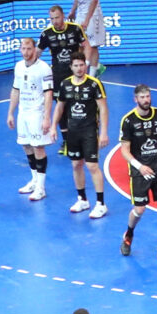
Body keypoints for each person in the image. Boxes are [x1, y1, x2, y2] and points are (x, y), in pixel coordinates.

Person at [119, 83, 157, 260]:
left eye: (148, 96)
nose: (146, 100)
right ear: (135, 99)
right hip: (140, 169)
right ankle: (129, 234)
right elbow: (124, 150)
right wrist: (139, 167)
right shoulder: (128, 120)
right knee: (140, 209)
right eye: (142, 97)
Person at [56, 50, 111, 220]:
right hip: (73, 131)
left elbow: (103, 109)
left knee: (92, 166)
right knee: (76, 165)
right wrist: (52, 127)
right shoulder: (65, 84)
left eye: (82, 65)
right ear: (71, 67)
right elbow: (60, 107)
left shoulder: (94, 84)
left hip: (89, 131)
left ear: (85, 66)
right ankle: (82, 200)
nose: (79, 68)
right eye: (76, 65)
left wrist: (103, 133)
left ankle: (101, 204)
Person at [7, 36, 56, 200]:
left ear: (34, 49)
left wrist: (47, 117)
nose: (26, 52)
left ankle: (41, 187)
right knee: (26, 146)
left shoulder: (44, 68)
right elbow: (16, 90)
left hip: (37, 113)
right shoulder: (18, 67)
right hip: (23, 112)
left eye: (29, 49)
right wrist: (10, 112)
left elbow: (48, 94)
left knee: (38, 147)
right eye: (23, 49)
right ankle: (34, 180)